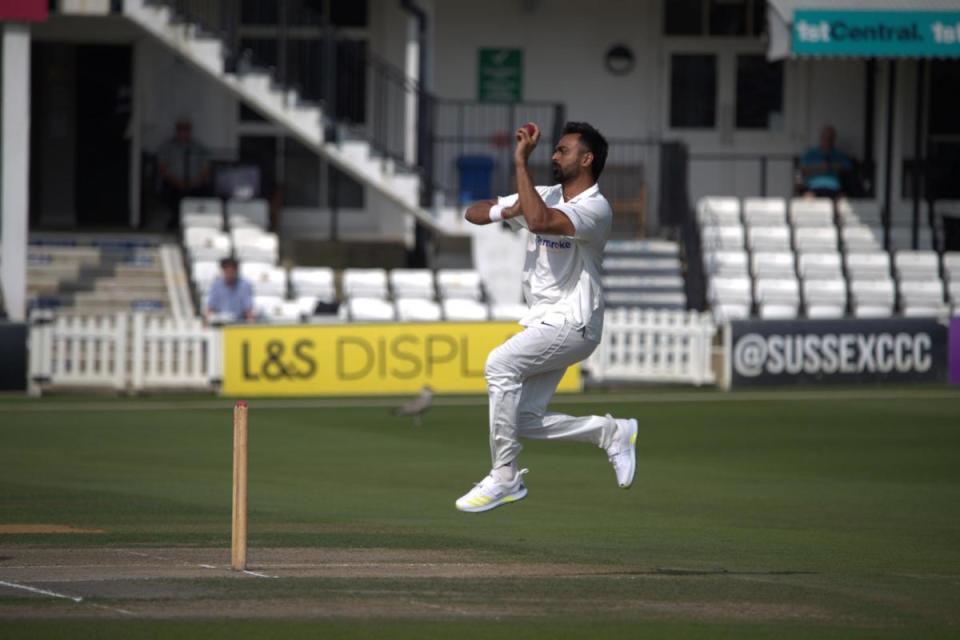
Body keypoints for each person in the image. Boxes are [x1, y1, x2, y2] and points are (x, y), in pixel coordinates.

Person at [457, 121, 638, 513]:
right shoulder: (542, 195)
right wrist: (506, 208)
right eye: (553, 150)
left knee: (499, 363)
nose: (554, 156)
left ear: (586, 159)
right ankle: (610, 432)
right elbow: (472, 213)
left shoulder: (595, 208)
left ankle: (505, 476)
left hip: (576, 320)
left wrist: (521, 163)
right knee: (521, 419)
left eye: (563, 150)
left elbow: (540, 222)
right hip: (544, 320)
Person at [157, 117, 212, 230]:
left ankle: (196, 223)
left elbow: (206, 170)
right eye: (180, 129)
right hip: (174, 184)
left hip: (195, 184)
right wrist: (177, 182)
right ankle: (175, 221)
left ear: (190, 130)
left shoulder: (199, 147)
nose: (183, 132)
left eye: (186, 129)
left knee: (206, 192)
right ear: (176, 130)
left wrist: (194, 182)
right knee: (169, 192)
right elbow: (162, 169)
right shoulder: (167, 147)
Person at [799, 125, 852, 198]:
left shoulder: (839, 154)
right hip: (813, 188)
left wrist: (831, 166)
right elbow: (802, 169)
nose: (827, 140)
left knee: (843, 201)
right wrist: (818, 168)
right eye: (825, 137)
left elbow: (848, 168)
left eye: (830, 138)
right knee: (807, 198)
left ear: (834, 139)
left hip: (834, 188)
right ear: (821, 138)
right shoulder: (810, 154)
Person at [205, 257, 254, 323]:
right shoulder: (216, 285)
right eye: (226, 271)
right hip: (220, 324)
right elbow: (210, 308)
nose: (229, 274)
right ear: (222, 270)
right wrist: (206, 324)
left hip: (239, 324)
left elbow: (248, 310)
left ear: (236, 271)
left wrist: (250, 326)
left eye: (231, 271)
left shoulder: (245, 285)